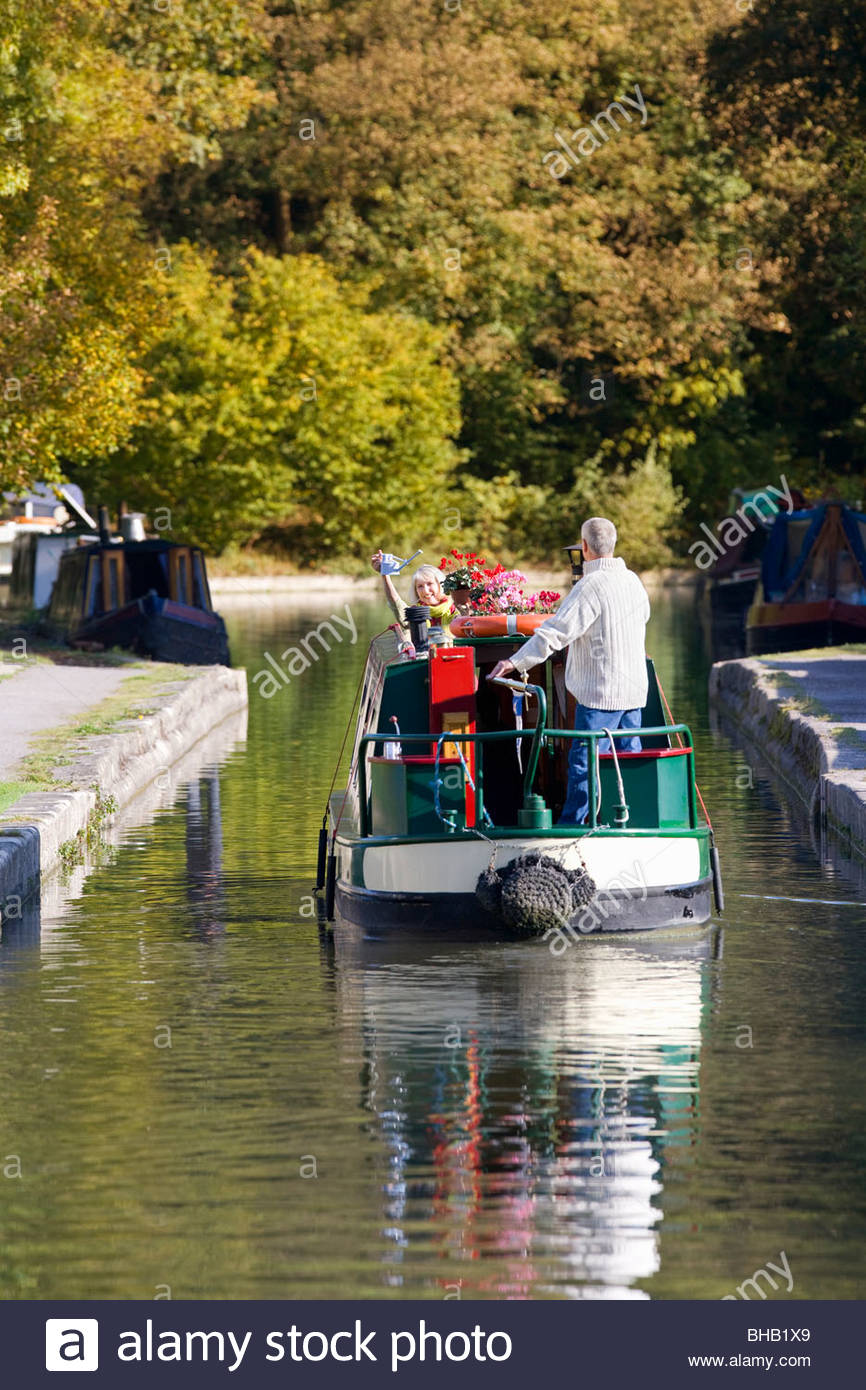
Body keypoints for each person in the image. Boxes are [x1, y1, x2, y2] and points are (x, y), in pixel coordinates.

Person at [488, 517, 650, 825]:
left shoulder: (590, 586)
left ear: (584, 547)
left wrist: (514, 663)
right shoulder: (633, 581)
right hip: (634, 692)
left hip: (600, 693)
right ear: (613, 544)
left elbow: (555, 634)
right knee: (627, 762)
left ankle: (573, 826)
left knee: (584, 764)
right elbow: (643, 617)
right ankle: (631, 822)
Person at [371, 550, 457, 642]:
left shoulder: (455, 608)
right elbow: (396, 603)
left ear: (440, 584)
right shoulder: (415, 613)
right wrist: (385, 574)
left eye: (430, 584)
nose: (425, 591)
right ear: (416, 591)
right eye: (420, 586)